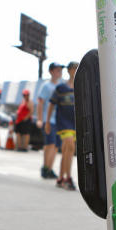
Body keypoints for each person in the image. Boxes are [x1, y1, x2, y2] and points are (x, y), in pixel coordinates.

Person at [46, 62, 77, 190]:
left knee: (67, 150)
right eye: (74, 69)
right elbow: (51, 105)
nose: (76, 71)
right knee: (69, 145)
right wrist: (47, 122)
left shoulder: (81, 88)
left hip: (75, 123)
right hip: (63, 122)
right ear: (69, 71)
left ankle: (60, 177)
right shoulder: (60, 88)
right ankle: (68, 177)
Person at [36, 63, 63, 179]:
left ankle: (50, 168)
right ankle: (45, 168)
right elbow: (40, 103)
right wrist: (40, 119)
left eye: (60, 70)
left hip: (60, 120)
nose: (59, 72)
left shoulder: (62, 86)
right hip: (49, 120)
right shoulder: (46, 86)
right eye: (57, 70)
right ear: (51, 71)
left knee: (56, 145)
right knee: (50, 144)